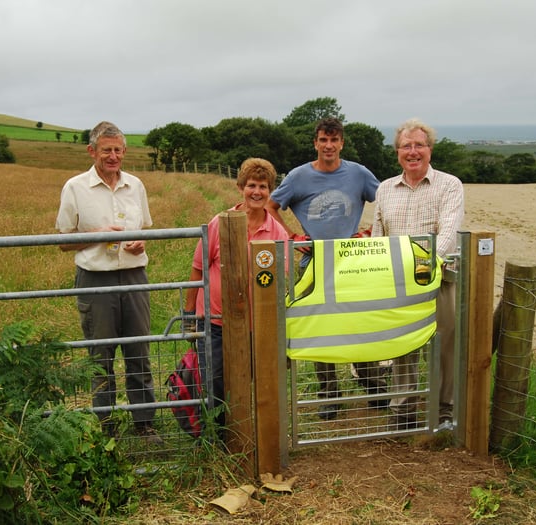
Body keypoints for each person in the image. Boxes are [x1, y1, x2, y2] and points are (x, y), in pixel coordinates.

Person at [267, 117, 386, 421]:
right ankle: (330, 395)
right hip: (314, 263)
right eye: (323, 140)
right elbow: (271, 207)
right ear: (315, 143)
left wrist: (374, 230)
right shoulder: (298, 177)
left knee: (360, 323)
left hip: (353, 262)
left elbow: (387, 198)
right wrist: (292, 237)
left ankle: (373, 386)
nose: (329, 146)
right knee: (322, 329)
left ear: (342, 143)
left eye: (334, 140)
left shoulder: (358, 174)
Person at [55, 121, 162, 444]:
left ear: (124, 151)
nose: (113, 156)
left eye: (118, 150)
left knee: (138, 353)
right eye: (106, 150)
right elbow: (63, 241)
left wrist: (140, 243)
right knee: (101, 358)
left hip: (133, 276)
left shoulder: (136, 185)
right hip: (95, 280)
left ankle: (144, 425)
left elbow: (143, 228)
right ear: (92, 151)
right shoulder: (75, 187)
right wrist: (98, 238)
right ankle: (106, 429)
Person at [183, 158, 289, 437]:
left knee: (253, 381)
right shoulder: (221, 223)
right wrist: (189, 313)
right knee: (216, 381)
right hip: (218, 322)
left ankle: (249, 436)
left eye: (263, 187)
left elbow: (280, 279)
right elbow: (198, 268)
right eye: (251, 185)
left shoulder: (277, 233)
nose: (257, 192)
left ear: (270, 191)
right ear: (240, 187)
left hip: (258, 325)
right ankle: (217, 439)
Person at [371, 117, 464, 430]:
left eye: (419, 145)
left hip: (440, 278)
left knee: (444, 342)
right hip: (399, 281)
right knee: (404, 345)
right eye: (406, 146)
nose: (413, 151)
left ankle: (443, 410)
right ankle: (403, 409)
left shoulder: (449, 185)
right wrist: (380, 272)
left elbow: (449, 229)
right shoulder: (384, 189)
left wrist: (428, 266)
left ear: (430, 149)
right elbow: (378, 236)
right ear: (397, 152)